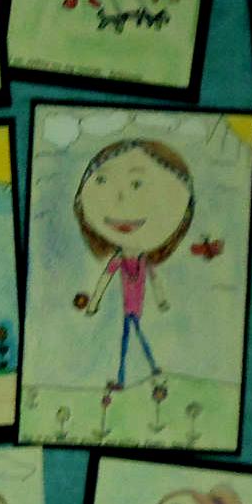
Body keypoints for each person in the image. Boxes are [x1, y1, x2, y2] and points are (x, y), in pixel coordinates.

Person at [73, 140, 195, 390]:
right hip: (129, 308)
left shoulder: (142, 260)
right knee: (130, 338)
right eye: (102, 181)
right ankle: (144, 370)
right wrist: (94, 303)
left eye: (138, 184)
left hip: (133, 308)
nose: (120, 199)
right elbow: (105, 279)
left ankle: (136, 373)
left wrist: (161, 300)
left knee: (129, 338)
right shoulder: (121, 259)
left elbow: (154, 280)